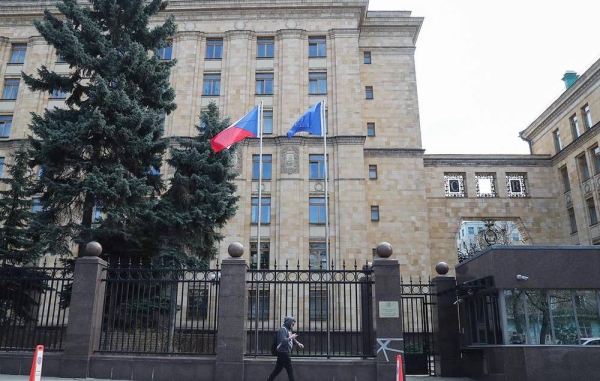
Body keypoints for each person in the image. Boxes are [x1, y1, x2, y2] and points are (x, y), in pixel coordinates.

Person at [267, 316, 304, 381]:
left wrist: (298, 343)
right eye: (292, 324)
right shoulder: (283, 330)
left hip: (283, 353)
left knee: (277, 370)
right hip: (284, 353)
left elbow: (292, 339)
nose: (293, 325)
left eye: (294, 324)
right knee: (290, 371)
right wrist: (291, 337)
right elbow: (283, 341)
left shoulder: (288, 330)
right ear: (288, 323)